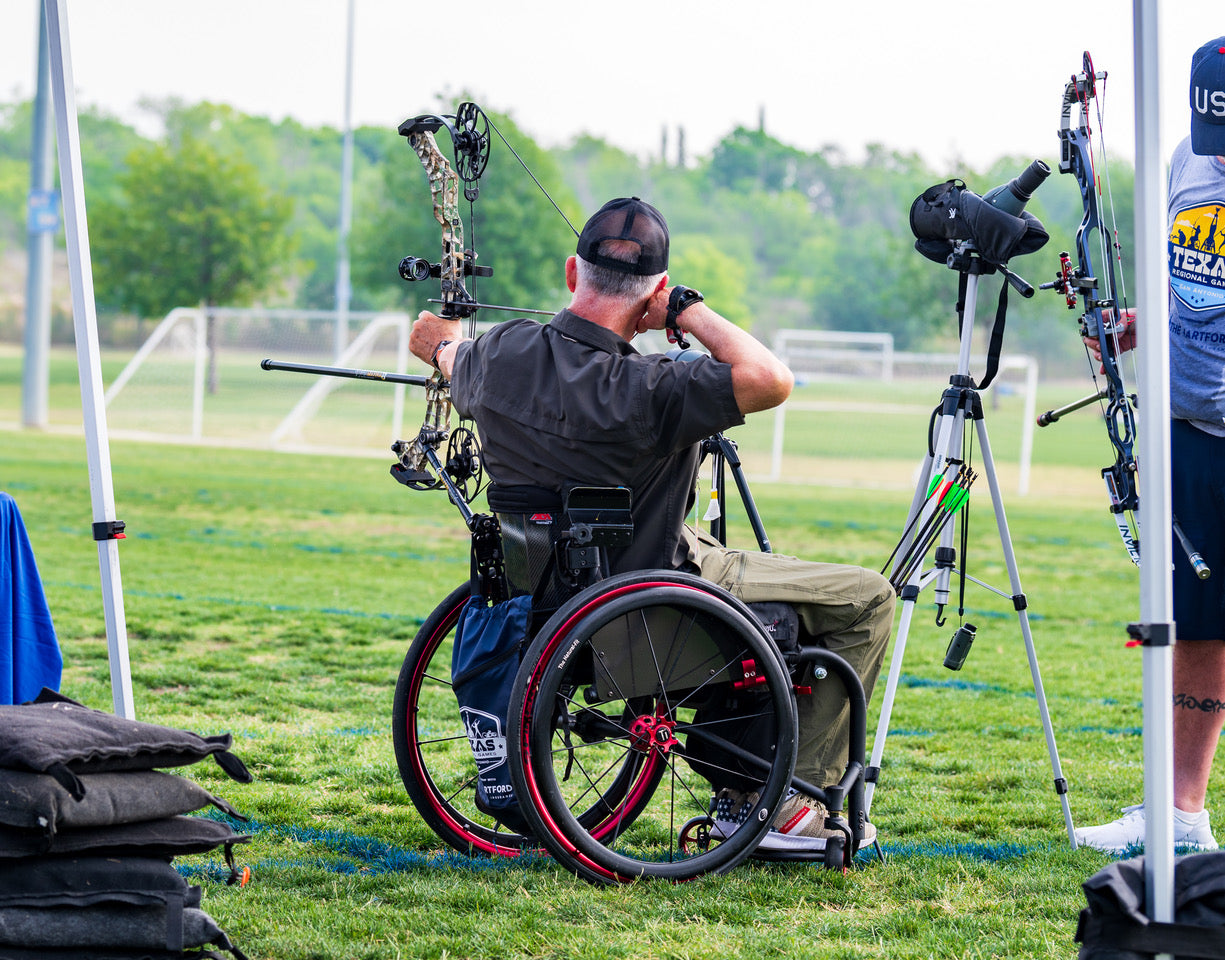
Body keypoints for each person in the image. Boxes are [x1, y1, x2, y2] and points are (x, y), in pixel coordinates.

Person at [409, 196, 895, 855]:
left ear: (570, 273)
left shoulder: (498, 355)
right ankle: (783, 800)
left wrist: (436, 340)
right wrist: (688, 311)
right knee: (866, 598)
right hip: (648, 589)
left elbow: (444, 352)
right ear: (655, 294)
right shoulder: (658, 385)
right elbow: (770, 379)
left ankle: (748, 781)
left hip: (538, 596)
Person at [1075, 37, 1225, 855]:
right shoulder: (1188, 160)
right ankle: (1179, 814)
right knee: (1194, 622)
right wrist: (1146, 328)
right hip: (1187, 428)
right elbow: (1185, 278)